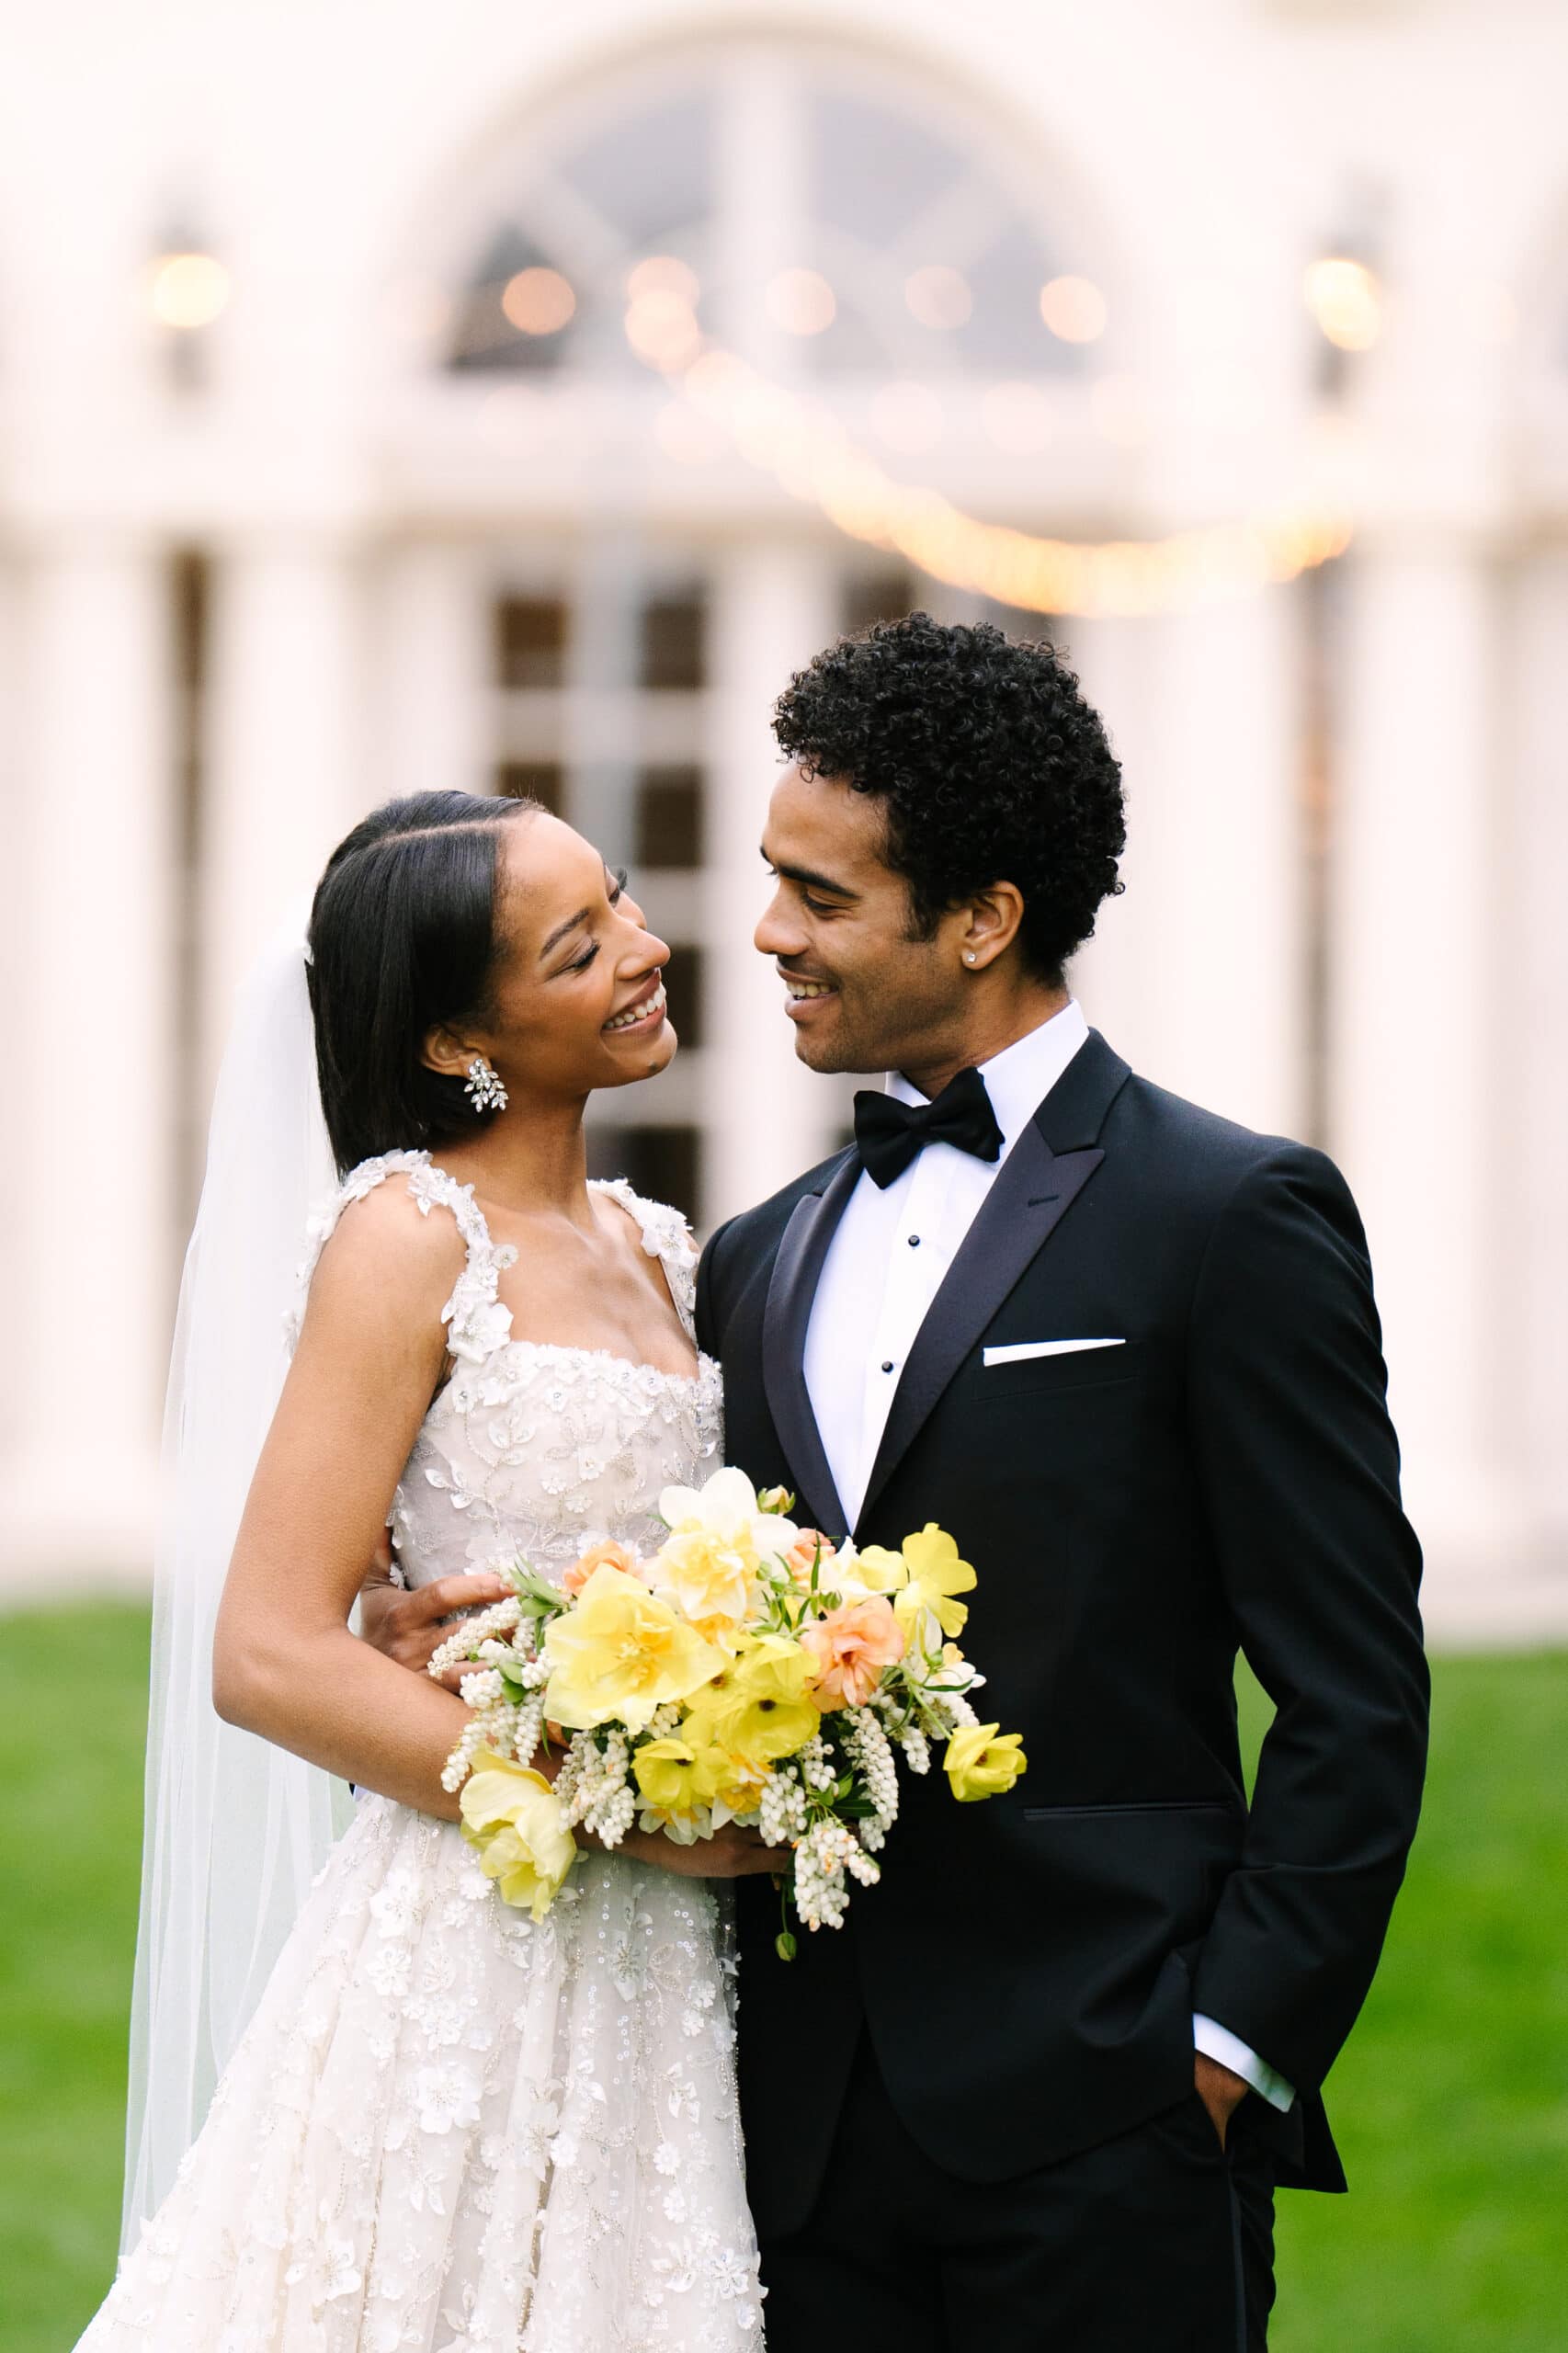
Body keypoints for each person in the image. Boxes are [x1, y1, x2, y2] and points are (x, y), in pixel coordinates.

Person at [363, 615, 1430, 2350]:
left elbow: (1354, 1693)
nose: (764, 932)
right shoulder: (758, 1256)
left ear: (984, 918)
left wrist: (1224, 2054)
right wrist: (454, 1633)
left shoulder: (1229, 1218)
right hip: (775, 2134)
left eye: (820, 896)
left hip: (1110, 2121)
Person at [80, 790, 769, 2352]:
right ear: (465, 1035)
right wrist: (628, 1809)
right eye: (579, 946)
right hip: (479, 1931)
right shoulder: (407, 1236)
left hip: (663, 1966)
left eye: (623, 904)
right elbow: (264, 1653)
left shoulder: (661, 1244)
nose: (648, 953)